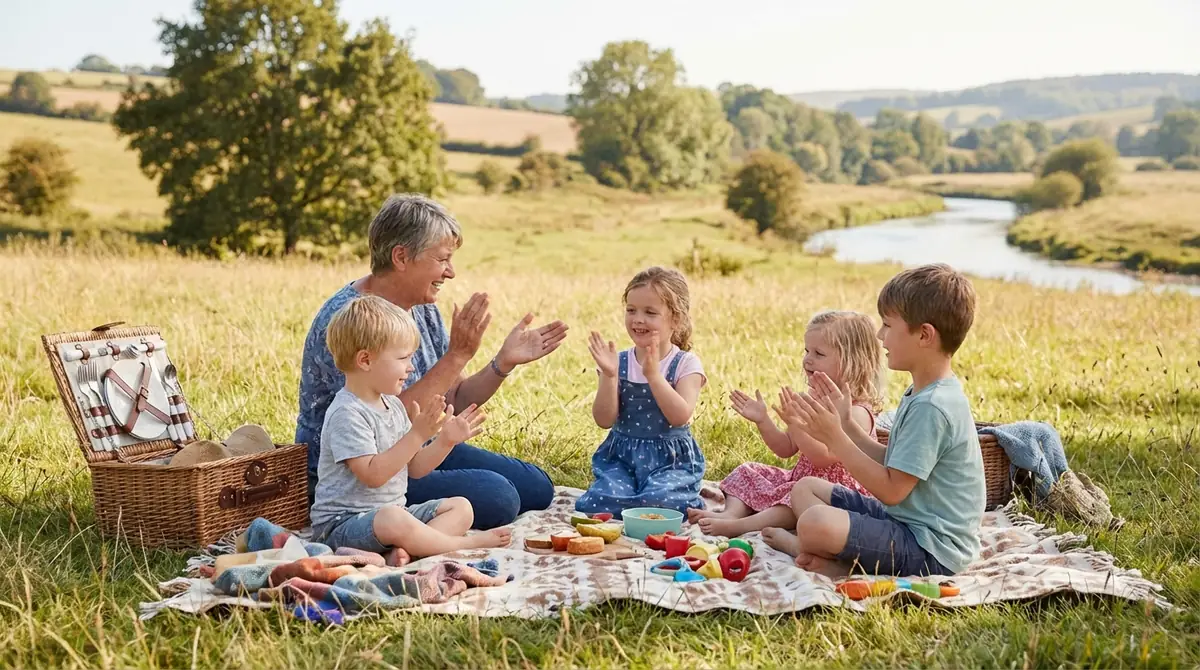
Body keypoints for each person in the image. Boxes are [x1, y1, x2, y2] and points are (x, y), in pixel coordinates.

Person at [297, 194, 568, 529]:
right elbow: (383, 424)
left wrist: (503, 363)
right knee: (500, 498)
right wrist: (457, 355)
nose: (450, 272)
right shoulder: (349, 321)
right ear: (401, 257)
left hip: (418, 448)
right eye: (442, 259)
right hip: (363, 473)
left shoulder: (423, 309)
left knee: (537, 487)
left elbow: (453, 398)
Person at [763, 263, 985, 578]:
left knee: (814, 524)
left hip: (931, 548)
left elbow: (891, 490)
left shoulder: (933, 407)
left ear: (924, 335)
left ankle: (819, 553)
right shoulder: (923, 392)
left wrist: (836, 438)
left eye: (887, 326)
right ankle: (839, 559)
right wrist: (848, 426)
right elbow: (895, 463)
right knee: (805, 488)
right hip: (905, 520)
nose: (880, 337)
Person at [310, 296, 511, 563]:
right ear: (366, 360)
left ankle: (406, 550)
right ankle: (463, 544)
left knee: (461, 508)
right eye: (403, 358)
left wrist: (445, 442)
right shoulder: (347, 413)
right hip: (341, 527)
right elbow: (374, 475)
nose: (411, 367)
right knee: (393, 518)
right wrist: (417, 435)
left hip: (390, 516)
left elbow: (415, 468)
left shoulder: (391, 405)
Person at [688, 310, 884, 537]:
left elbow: (822, 458)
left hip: (833, 495)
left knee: (793, 497)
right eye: (806, 350)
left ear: (853, 361)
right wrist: (763, 420)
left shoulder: (857, 412)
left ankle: (743, 526)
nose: (807, 359)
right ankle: (731, 515)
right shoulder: (812, 400)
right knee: (748, 471)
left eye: (819, 353)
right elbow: (785, 448)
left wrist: (795, 423)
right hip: (800, 481)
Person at [575, 267, 706, 518]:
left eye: (650, 312)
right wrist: (610, 376)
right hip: (622, 459)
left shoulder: (685, 363)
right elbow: (604, 420)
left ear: (676, 320)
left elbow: (680, 416)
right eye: (631, 310)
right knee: (597, 502)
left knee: (662, 502)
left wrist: (654, 377)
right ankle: (633, 503)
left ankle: (643, 503)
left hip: (671, 460)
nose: (638, 319)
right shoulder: (618, 361)